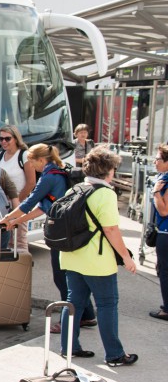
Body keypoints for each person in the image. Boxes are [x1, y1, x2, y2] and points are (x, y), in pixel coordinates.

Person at [0, 144, 96, 333]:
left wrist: (8, 218)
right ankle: (87, 315)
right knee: (71, 275)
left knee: (62, 278)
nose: (30, 166)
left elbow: (30, 202)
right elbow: (42, 207)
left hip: (60, 232)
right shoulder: (60, 172)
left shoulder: (48, 178)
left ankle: (70, 319)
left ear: (41, 160)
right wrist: (16, 220)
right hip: (70, 230)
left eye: (31, 161)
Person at [58, 146, 138, 366]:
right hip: (97, 261)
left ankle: (68, 348)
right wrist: (127, 258)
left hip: (72, 257)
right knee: (106, 305)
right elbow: (111, 230)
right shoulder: (105, 194)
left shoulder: (74, 190)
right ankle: (114, 355)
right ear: (108, 171)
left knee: (73, 303)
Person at [0, 125, 35, 254]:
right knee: (6, 240)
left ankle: (21, 270)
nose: (3, 142)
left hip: (19, 202)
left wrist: (16, 203)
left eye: (7, 139)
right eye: (0, 139)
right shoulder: (0, 155)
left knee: (20, 240)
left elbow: (31, 182)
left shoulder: (24, 155)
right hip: (4, 203)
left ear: (16, 139)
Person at [149, 144, 168, 321]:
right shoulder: (163, 177)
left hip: (166, 232)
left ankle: (167, 309)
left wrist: (155, 192)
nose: (155, 162)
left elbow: (164, 211)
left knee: (165, 270)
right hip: (163, 231)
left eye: (158, 159)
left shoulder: (166, 181)